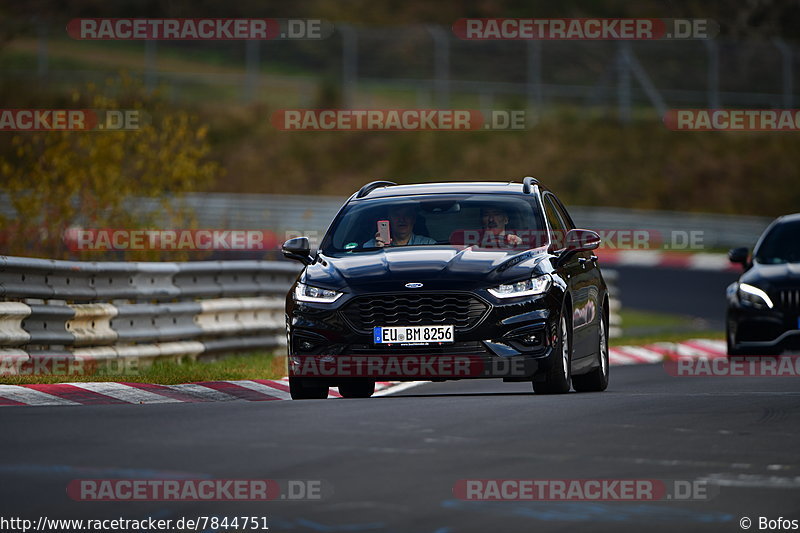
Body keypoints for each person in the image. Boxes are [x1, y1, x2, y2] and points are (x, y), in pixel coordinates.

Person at [364, 205, 436, 247]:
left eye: (407, 215)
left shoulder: (429, 245)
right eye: (396, 215)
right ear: (389, 219)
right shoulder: (370, 246)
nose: (402, 219)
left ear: (413, 219)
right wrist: (377, 253)